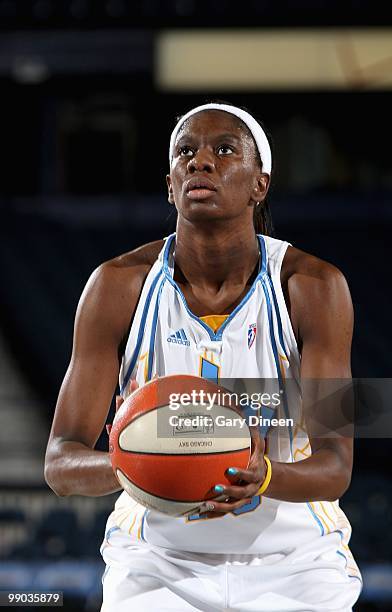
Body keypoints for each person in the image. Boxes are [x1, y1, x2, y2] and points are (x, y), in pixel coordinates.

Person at [44, 102, 362, 611]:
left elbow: (336, 465)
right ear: (170, 184)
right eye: (185, 152)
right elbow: (60, 460)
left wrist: (266, 476)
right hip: (156, 561)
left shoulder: (316, 287)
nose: (201, 162)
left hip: (297, 563)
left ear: (260, 183)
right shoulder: (116, 287)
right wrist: (130, 465)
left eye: (224, 150)